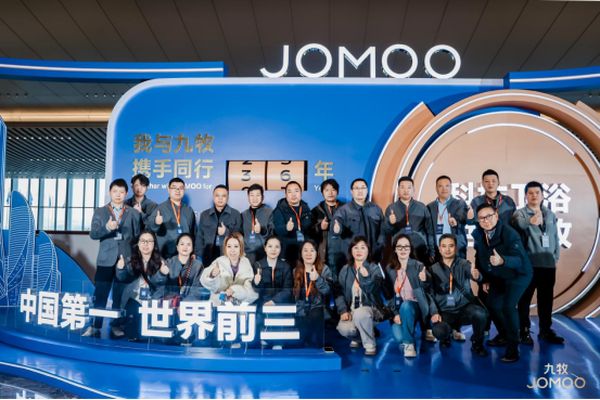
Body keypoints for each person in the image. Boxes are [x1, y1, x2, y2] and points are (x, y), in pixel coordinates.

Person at [472, 203, 532, 362]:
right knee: (492, 304)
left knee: (508, 307)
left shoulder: (510, 234)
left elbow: (519, 260)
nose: (486, 220)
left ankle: (513, 347)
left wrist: (503, 260)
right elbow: (480, 257)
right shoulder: (479, 234)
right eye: (482, 218)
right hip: (499, 275)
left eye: (489, 216)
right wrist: (484, 279)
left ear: (496, 216)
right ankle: (504, 335)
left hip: (518, 274)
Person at [83, 178, 141, 338]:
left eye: (121, 192)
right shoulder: (100, 211)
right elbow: (93, 234)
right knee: (100, 294)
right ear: (110, 192)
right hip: (105, 259)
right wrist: (107, 228)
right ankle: (95, 325)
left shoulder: (133, 213)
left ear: (126, 193)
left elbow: (137, 237)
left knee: (120, 295)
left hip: (125, 260)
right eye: (115, 191)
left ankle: (116, 325)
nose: (118, 194)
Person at [513, 181, 564, 345]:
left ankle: (545, 330)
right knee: (524, 300)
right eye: (530, 193)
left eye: (537, 193)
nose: (534, 196)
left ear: (542, 195)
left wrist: (555, 257)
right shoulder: (520, 213)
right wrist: (530, 221)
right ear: (525, 196)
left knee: (546, 301)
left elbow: (555, 237)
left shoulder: (550, 214)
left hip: (548, 265)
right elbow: (519, 225)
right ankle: (523, 331)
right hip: (529, 266)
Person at [428, 234, 489, 357]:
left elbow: (474, 275)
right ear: (439, 249)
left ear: (455, 248)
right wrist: (434, 312)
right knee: (439, 331)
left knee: (480, 314)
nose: (447, 249)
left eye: (451, 246)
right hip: (445, 311)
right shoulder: (432, 269)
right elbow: (430, 294)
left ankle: (477, 343)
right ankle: (446, 336)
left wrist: (477, 276)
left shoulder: (464, 264)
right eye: (444, 246)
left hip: (464, 309)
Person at [115, 231, 170, 341]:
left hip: (153, 299)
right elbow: (123, 278)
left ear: (154, 245)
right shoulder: (130, 260)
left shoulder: (161, 262)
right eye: (143, 241)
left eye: (149, 241)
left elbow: (159, 283)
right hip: (134, 298)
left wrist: (162, 273)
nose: (146, 244)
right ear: (138, 244)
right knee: (133, 334)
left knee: (147, 336)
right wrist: (120, 269)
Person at [385, 234, 431, 358]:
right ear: (395, 249)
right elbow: (390, 296)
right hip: (400, 309)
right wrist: (395, 314)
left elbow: (428, 288)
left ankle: (409, 344)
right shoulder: (390, 269)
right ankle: (407, 333)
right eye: (399, 247)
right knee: (399, 337)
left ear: (410, 249)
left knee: (406, 305)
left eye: (406, 246)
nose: (403, 249)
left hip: (417, 307)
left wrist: (425, 280)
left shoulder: (418, 265)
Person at [335, 236, 383, 356]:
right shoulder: (345, 270)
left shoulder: (374, 268)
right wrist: (343, 310)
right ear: (351, 251)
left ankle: (370, 344)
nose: (359, 251)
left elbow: (374, 290)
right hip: (352, 310)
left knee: (361, 314)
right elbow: (338, 292)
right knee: (343, 329)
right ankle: (360, 336)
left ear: (368, 250)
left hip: (371, 310)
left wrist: (366, 278)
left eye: (362, 247)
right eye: (355, 248)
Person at [330, 179, 385, 268]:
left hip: (373, 258)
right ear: (351, 191)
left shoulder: (376, 209)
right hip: (352, 260)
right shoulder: (344, 210)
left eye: (363, 188)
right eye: (357, 188)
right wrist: (337, 229)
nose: (360, 191)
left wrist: (379, 247)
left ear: (367, 190)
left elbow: (382, 231)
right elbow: (336, 226)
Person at [383, 176, 435, 266]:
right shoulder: (391, 208)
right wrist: (390, 223)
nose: (406, 190)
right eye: (402, 187)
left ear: (413, 190)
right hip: (399, 252)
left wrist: (432, 251)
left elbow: (429, 232)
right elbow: (386, 232)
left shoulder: (422, 207)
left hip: (420, 251)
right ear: (398, 190)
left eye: (409, 187)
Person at [292, 240, 334, 348]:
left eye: (312, 250)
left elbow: (327, 291)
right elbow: (293, 296)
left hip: (318, 310)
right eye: (305, 250)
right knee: (299, 341)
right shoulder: (295, 271)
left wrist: (317, 279)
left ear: (317, 253)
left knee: (315, 317)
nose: (308, 253)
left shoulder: (324, 269)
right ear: (301, 253)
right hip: (301, 311)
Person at [200, 232, 258, 307]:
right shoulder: (219, 261)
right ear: (225, 248)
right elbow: (204, 280)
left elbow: (251, 292)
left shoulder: (246, 263)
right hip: (218, 305)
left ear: (241, 247)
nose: (232, 250)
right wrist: (212, 275)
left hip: (238, 306)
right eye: (229, 246)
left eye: (236, 246)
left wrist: (235, 290)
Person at [147, 178, 196, 259]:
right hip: (165, 255)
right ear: (168, 189)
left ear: (184, 190)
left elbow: (193, 233)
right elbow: (149, 228)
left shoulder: (189, 210)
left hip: (185, 254)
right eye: (174, 187)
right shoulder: (160, 208)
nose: (177, 190)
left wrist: (193, 252)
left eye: (180, 188)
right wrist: (156, 223)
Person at [196, 185, 242, 265]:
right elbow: (199, 236)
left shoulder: (235, 214)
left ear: (228, 197)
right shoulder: (205, 214)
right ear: (213, 197)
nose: (220, 199)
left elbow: (239, 237)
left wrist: (226, 232)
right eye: (217, 195)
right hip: (208, 256)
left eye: (223, 196)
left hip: (228, 256)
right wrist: (199, 255)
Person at [272, 181, 313, 267]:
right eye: (290, 192)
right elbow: (277, 230)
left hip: (304, 252)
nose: (293, 194)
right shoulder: (279, 210)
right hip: (287, 252)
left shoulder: (306, 208)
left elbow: (310, 229)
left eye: (296, 191)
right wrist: (286, 228)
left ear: (301, 193)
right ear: (286, 194)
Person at [426, 175, 469, 259]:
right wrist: (431, 251)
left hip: (456, 251)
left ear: (451, 187)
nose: (444, 189)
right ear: (436, 188)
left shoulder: (459, 204)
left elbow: (463, 220)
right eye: (440, 186)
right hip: (437, 252)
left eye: (447, 186)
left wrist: (456, 223)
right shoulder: (430, 207)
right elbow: (429, 232)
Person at [310, 178, 345, 275]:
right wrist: (320, 227)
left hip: (343, 253)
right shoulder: (315, 211)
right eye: (327, 190)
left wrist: (342, 228)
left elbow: (353, 229)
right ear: (322, 193)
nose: (330, 193)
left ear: (337, 192)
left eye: (333, 190)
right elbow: (309, 232)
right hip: (323, 254)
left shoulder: (346, 209)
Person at [253, 236, 293, 306]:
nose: (273, 250)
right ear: (265, 248)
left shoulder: (286, 267)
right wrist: (255, 283)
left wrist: (274, 301)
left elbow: (287, 290)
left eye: (277, 247)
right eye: (270, 246)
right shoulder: (258, 265)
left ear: (280, 249)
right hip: (262, 305)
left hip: (281, 305)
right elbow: (256, 291)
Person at [165, 233, 204, 302]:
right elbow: (162, 287)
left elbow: (197, 290)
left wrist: (184, 303)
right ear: (177, 247)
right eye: (182, 244)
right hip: (170, 303)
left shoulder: (198, 266)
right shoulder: (169, 263)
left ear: (192, 248)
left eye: (188, 244)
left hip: (190, 303)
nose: (185, 247)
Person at [241, 184, 273, 264]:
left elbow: (273, 233)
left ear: (262, 197)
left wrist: (262, 230)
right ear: (248, 197)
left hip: (264, 254)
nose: (254, 198)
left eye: (258, 195)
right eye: (252, 195)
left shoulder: (270, 212)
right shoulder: (243, 215)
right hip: (247, 255)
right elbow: (240, 235)